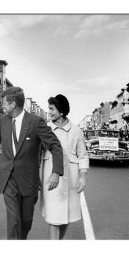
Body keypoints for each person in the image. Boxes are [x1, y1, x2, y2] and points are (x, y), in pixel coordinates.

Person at [0, 87, 64, 240]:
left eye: (4, 103)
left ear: (13, 104)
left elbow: (55, 146)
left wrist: (56, 172)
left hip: (28, 180)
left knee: (26, 221)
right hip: (9, 178)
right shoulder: (3, 121)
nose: (2, 106)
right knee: (13, 220)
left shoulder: (35, 122)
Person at [40, 94, 89, 239]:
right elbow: (36, 155)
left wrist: (82, 177)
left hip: (71, 179)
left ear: (61, 111)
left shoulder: (76, 131)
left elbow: (83, 156)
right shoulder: (44, 129)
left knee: (66, 216)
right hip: (50, 177)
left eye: (52, 109)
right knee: (54, 217)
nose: (49, 112)